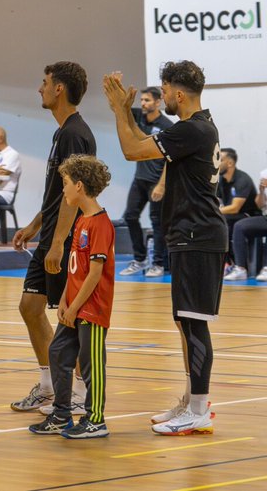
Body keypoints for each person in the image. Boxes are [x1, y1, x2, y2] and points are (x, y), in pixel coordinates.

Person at [103, 62, 225, 435]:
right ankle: (192, 401)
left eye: (165, 89)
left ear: (178, 94)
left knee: (194, 324)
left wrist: (119, 111)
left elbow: (130, 150)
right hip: (190, 235)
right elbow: (144, 142)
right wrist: (126, 113)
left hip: (198, 236)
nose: (164, 95)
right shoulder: (197, 128)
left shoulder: (192, 129)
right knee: (184, 321)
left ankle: (200, 409)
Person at [11, 62, 96, 414]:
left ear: (59, 89)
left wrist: (59, 243)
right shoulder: (61, 133)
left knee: (67, 316)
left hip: (67, 238)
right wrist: (35, 224)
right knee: (29, 308)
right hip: (51, 234)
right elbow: (56, 194)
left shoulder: (75, 133)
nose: (39, 88)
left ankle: (77, 393)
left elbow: (74, 195)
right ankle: (48, 386)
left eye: (44, 82)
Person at [29, 155, 115, 440]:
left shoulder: (100, 224)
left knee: (91, 364)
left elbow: (94, 273)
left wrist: (76, 305)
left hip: (91, 309)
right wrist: (65, 300)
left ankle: (95, 419)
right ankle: (61, 414)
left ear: (79, 185)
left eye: (65, 184)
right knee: (57, 352)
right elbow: (75, 269)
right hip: (74, 307)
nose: (62, 189)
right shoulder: (80, 221)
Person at [119, 88, 173, 278]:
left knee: (157, 223)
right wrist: (117, 89)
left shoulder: (167, 125)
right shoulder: (138, 117)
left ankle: (158, 264)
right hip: (139, 179)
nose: (143, 103)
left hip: (156, 181)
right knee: (130, 217)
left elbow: (170, 159)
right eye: (141, 100)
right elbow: (118, 108)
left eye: (147, 100)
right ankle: (140, 259)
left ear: (158, 102)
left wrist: (162, 185)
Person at [217, 148, 259, 281]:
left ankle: (238, 267)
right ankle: (226, 263)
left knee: (222, 220)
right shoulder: (221, 180)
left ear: (230, 163)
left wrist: (213, 212)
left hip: (248, 216)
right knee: (214, 223)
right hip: (230, 216)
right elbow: (215, 202)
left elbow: (235, 208)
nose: (216, 163)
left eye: (220, 159)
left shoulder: (242, 179)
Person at [228, 172, 267, 281]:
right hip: (265, 217)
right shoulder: (265, 173)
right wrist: (262, 191)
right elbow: (260, 205)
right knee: (239, 226)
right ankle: (240, 269)